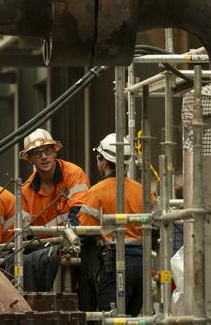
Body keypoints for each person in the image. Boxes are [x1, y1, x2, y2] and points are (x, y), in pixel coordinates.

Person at [78, 133, 147, 316]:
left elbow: (85, 233)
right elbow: (155, 228)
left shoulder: (97, 192)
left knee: (111, 317)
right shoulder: (141, 190)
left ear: (102, 160)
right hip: (143, 266)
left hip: (115, 266)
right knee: (134, 319)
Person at [20, 128, 89, 227]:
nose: (44, 156)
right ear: (30, 159)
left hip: (73, 239)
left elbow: (79, 213)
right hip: (41, 242)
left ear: (54, 152)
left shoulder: (73, 174)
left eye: (47, 150)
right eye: (37, 153)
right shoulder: (26, 191)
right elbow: (26, 233)